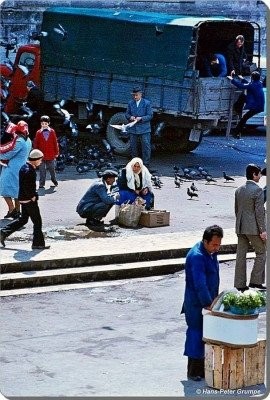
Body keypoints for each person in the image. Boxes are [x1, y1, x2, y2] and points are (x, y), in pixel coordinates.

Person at [182, 225, 224, 381]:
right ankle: (193, 371)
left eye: (219, 244)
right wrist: (208, 303)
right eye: (214, 244)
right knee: (196, 332)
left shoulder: (210, 252)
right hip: (196, 303)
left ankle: (202, 369)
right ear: (205, 241)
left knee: (205, 334)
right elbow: (200, 284)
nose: (217, 248)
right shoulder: (197, 256)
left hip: (207, 300)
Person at [0, 149, 50, 250]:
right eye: (40, 160)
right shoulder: (29, 170)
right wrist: (33, 196)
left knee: (23, 219)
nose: (41, 162)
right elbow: (28, 186)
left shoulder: (24, 167)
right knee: (37, 221)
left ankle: (3, 232)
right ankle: (38, 244)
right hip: (28, 200)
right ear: (35, 159)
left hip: (23, 199)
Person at [234, 164, 266, 291]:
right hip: (253, 228)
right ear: (254, 174)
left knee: (240, 255)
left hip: (240, 227)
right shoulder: (258, 190)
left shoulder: (239, 190)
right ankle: (255, 281)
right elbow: (259, 213)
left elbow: (236, 210)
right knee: (261, 252)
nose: (260, 176)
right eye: (259, 174)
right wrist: (262, 230)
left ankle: (240, 284)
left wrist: (239, 224)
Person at [0, 120, 32, 219]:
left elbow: (10, 153)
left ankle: (12, 209)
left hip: (12, 168)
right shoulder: (28, 140)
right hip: (22, 167)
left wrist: (1, 155)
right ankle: (17, 211)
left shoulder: (19, 141)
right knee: (16, 190)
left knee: (4, 188)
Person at [227, 71, 265, 138]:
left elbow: (241, 86)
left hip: (256, 107)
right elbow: (248, 84)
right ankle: (236, 133)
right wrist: (242, 79)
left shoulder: (252, 85)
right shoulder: (259, 83)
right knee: (244, 118)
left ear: (252, 78)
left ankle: (236, 132)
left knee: (244, 118)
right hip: (259, 106)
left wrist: (232, 79)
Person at [125, 87, 153, 168]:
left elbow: (150, 115)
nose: (135, 97)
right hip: (133, 129)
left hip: (144, 129)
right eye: (133, 95)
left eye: (136, 95)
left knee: (146, 146)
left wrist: (141, 118)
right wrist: (130, 117)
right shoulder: (131, 103)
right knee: (133, 147)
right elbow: (127, 114)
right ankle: (134, 163)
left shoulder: (147, 103)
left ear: (141, 94)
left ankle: (146, 164)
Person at [33, 115, 59, 189]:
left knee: (52, 169)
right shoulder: (38, 132)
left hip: (51, 154)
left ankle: (54, 181)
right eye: (43, 123)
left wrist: (56, 152)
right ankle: (41, 184)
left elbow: (55, 142)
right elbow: (36, 144)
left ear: (48, 123)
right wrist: (36, 154)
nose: (44, 125)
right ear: (41, 124)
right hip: (41, 156)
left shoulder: (52, 131)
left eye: (46, 124)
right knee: (42, 171)